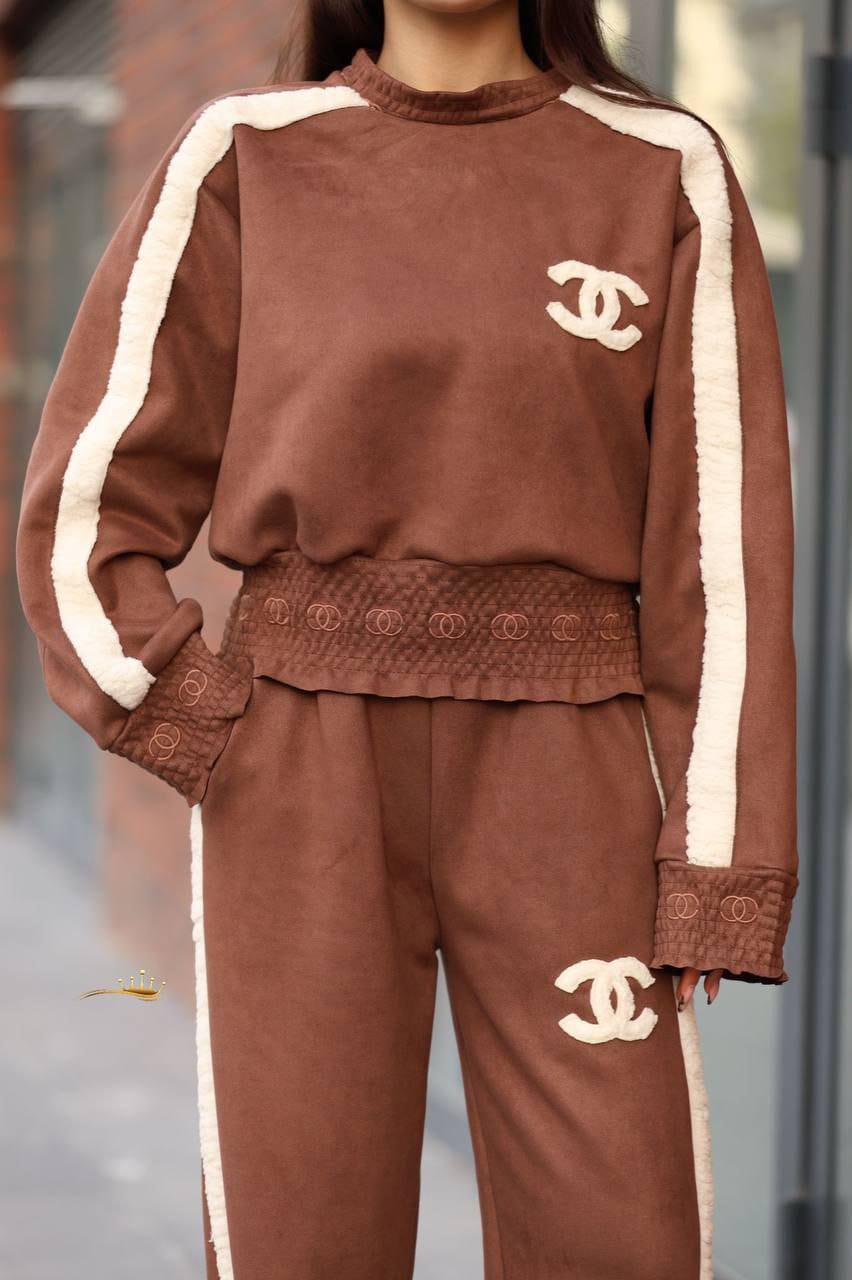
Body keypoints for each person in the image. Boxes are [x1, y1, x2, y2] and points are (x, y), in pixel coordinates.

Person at [15, 0, 798, 1275]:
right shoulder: (244, 155)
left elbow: (721, 561)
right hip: (301, 767)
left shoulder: (662, 170)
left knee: (621, 1233)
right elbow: (85, 512)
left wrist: (720, 856)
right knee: (298, 1234)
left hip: (571, 775)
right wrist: (195, 718)